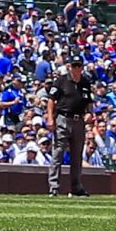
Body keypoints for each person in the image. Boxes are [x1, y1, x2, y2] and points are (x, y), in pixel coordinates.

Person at [46, 57, 92, 197]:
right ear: (69, 67)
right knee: (58, 153)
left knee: (77, 155)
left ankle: (76, 186)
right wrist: (50, 118)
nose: (76, 68)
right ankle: (54, 186)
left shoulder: (85, 82)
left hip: (79, 120)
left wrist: (90, 113)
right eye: (74, 65)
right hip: (63, 118)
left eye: (79, 65)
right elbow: (51, 100)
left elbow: (88, 102)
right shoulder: (61, 81)